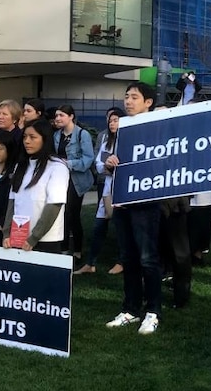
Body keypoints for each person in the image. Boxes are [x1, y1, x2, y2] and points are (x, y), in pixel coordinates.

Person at [104, 82, 162, 335]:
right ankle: (130, 309)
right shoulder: (122, 129)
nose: (128, 101)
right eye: (126, 97)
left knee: (148, 259)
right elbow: (111, 164)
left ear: (148, 102)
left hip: (146, 203)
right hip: (123, 203)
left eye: (134, 97)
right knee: (128, 258)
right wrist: (109, 163)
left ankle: (153, 311)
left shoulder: (157, 127)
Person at [2, 120, 68, 253]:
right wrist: (7, 233)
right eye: (25, 137)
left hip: (46, 240)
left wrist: (34, 237)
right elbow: (12, 202)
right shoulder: (20, 166)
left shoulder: (57, 167)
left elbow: (54, 205)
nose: (27, 141)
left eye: (33, 137)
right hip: (18, 237)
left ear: (45, 139)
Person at [75, 109, 123, 275]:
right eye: (110, 120)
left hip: (122, 189)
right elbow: (99, 163)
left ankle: (121, 261)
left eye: (116, 120)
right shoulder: (105, 141)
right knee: (99, 226)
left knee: (120, 226)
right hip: (107, 187)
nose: (112, 123)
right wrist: (107, 168)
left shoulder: (129, 140)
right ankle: (91, 263)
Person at [53, 105, 95, 260]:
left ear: (71, 116)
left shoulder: (82, 135)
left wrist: (68, 163)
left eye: (61, 115)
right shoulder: (57, 135)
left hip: (77, 180)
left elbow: (88, 159)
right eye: (56, 115)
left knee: (73, 214)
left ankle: (77, 250)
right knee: (61, 213)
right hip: (60, 179)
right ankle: (63, 249)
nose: (58, 118)